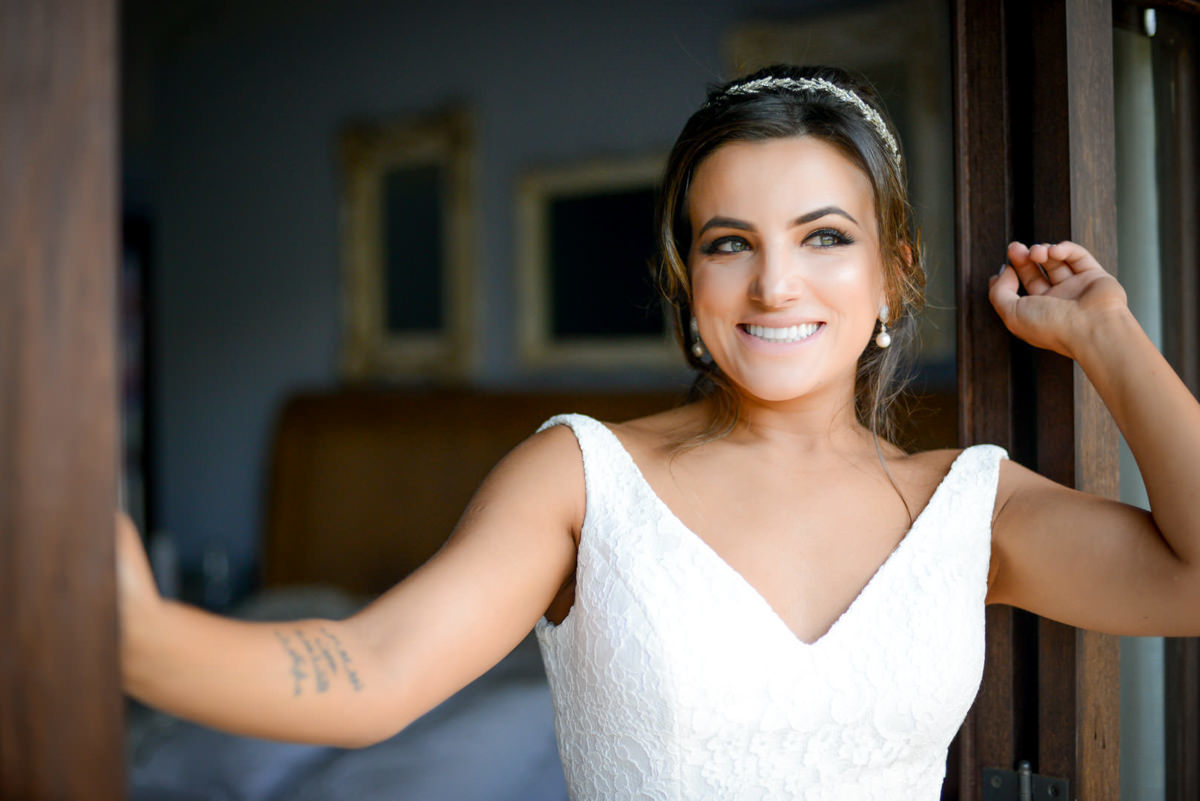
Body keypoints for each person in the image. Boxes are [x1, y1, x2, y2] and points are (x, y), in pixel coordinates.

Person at [117, 64, 1200, 799]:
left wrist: (1111, 342)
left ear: (892, 275)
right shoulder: (582, 477)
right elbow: (373, 668)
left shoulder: (973, 506)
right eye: (730, 243)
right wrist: (142, 639)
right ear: (690, 286)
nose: (776, 282)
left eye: (824, 236)